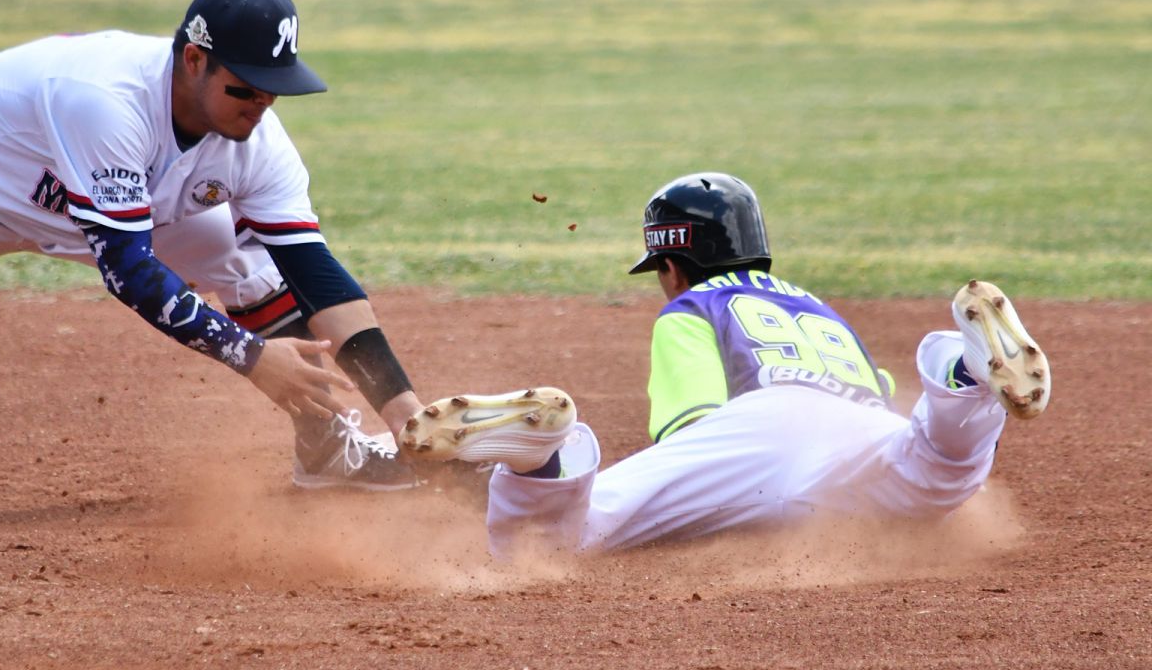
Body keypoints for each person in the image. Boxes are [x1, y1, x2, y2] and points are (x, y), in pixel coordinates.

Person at [398, 171, 1052, 555]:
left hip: (755, 432)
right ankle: (966, 377)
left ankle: (539, 454)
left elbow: (694, 427)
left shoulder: (690, 307)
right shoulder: (815, 304)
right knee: (934, 468)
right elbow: (874, 395)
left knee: (561, 541)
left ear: (673, 265)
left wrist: (708, 504)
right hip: (860, 426)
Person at [0, 0, 422, 491]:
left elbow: (315, 274)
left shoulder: (256, 142)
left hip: (82, 200)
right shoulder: (105, 101)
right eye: (245, 84)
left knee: (246, 254)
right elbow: (128, 270)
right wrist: (252, 355)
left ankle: (326, 445)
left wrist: (409, 418)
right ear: (195, 60)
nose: (260, 103)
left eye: (273, 89)